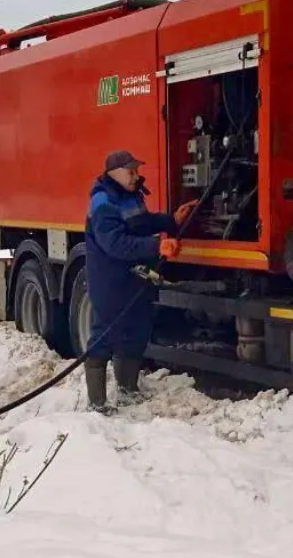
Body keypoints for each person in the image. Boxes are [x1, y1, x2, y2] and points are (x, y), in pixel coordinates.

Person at [84, 150, 197, 413]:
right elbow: (115, 243)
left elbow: (142, 223)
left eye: (136, 170)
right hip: (110, 278)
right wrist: (158, 245)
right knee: (106, 334)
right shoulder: (103, 202)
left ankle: (127, 391)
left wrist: (171, 220)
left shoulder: (130, 196)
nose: (136, 175)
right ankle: (97, 403)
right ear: (114, 173)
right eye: (131, 171)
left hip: (134, 275)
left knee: (135, 331)